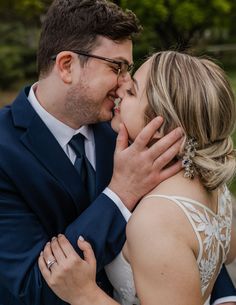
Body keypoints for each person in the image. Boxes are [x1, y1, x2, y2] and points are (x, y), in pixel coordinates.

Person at [0, 1, 186, 304]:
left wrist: (223, 295)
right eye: (117, 68)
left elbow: (186, 216)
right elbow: (33, 287)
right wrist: (120, 193)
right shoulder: (3, 151)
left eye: (129, 69)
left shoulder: (123, 126)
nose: (126, 84)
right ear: (67, 66)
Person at [39, 51, 236, 305]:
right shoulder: (213, 185)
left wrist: (87, 295)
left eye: (132, 92)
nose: (120, 89)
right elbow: (224, 257)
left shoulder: (155, 221)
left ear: (163, 127)